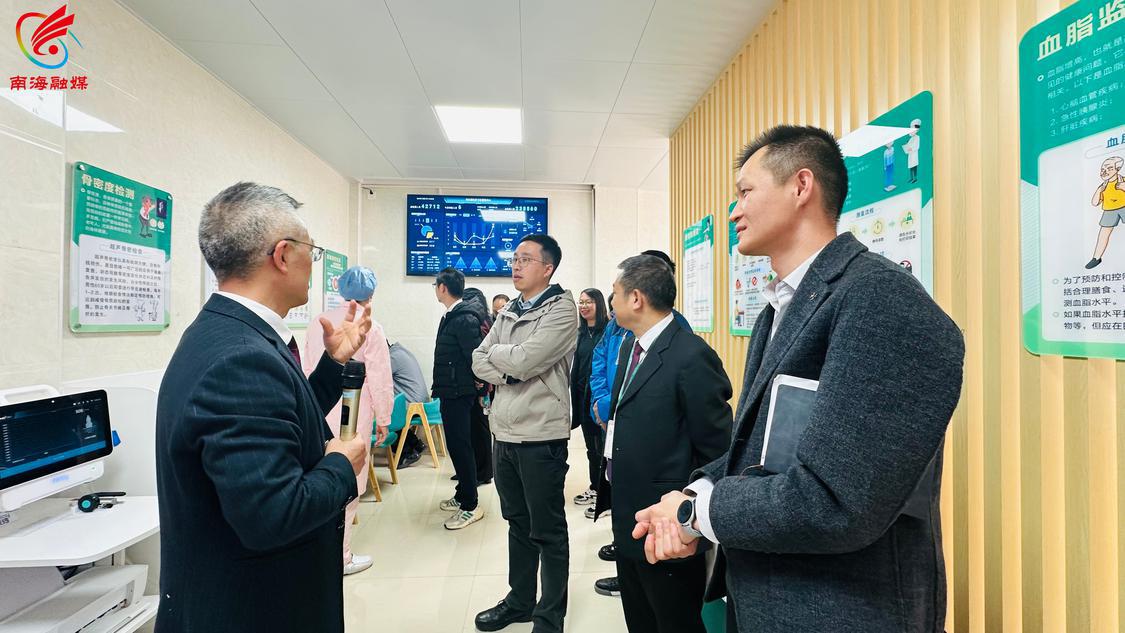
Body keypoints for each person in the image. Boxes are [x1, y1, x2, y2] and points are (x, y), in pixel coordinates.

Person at [633, 125, 965, 633]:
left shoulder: (880, 299)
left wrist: (696, 514)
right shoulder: (780, 309)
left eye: (745, 192)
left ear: (801, 186)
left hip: (842, 611)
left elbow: (838, 500)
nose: (734, 211)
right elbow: (760, 451)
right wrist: (696, 493)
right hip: (769, 597)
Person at [155, 182, 370, 633]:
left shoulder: (225, 331)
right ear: (283, 255)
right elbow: (273, 515)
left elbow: (280, 424)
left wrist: (333, 365)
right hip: (254, 609)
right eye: (312, 251)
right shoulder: (240, 359)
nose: (313, 264)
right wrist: (341, 465)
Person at [594, 255, 732, 632]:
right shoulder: (630, 347)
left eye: (615, 293)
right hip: (628, 511)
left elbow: (717, 449)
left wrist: (690, 515)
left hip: (668, 522)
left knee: (673, 621)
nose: (612, 301)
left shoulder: (691, 355)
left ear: (636, 298)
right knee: (639, 618)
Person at [472, 234, 577, 633]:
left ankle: (550, 617)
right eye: (515, 258)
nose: (516, 265)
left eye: (526, 259)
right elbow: (477, 359)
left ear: (548, 268)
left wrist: (507, 362)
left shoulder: (561, 309)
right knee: (517, 523)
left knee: (547, 531)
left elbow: (527, 359)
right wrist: (511, 368)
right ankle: (520, 602)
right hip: (503, 432)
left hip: (541, 436)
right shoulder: (509, 310)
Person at [304, 266, 393, 576]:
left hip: (318, 407)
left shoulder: (319, 322)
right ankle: (341, 557)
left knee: (320, 477)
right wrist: (384, 417)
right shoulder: (371, 327)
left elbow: (307, 367)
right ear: (371, 294)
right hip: (353, 412)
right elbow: (379, 376)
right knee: (349, 481)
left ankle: (318, 553)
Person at [432, 267, 486, 530]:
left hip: (458, 392)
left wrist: (477, 384)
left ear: (443, 288)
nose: (436, 290)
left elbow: (474, 356)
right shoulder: (452, 315)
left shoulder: (464, 318)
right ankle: (463, 493)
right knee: (457, 445)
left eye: (436, 285)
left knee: (461, 446)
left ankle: (470, 505)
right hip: (451, 390)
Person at [571, 288, 608, 508]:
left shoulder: (608, 332)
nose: (584, 306)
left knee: (603, 448)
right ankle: (595, 487)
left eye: (589, 302)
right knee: (591, 448)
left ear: (599, 304)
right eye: (581, 302)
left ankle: (605, 491)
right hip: (583, 398)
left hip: (599, 398)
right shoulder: (582, 333)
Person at [462, 287, 495, 484]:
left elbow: (478, 355)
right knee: (475, 429)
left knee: (479, 429)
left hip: (480, 384)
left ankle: (484, 472)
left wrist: (481, 385)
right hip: (480, 383)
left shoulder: (480, 322)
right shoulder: (483, 320)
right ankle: (477, 470)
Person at [388, 340, 429, 467]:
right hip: (421, 402)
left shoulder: (392, 357)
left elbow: (376, 378)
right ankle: (416, 444)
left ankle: (407, 452)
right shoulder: (400, 352)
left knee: (385, 415)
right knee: (390, 411)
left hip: (413, 404)